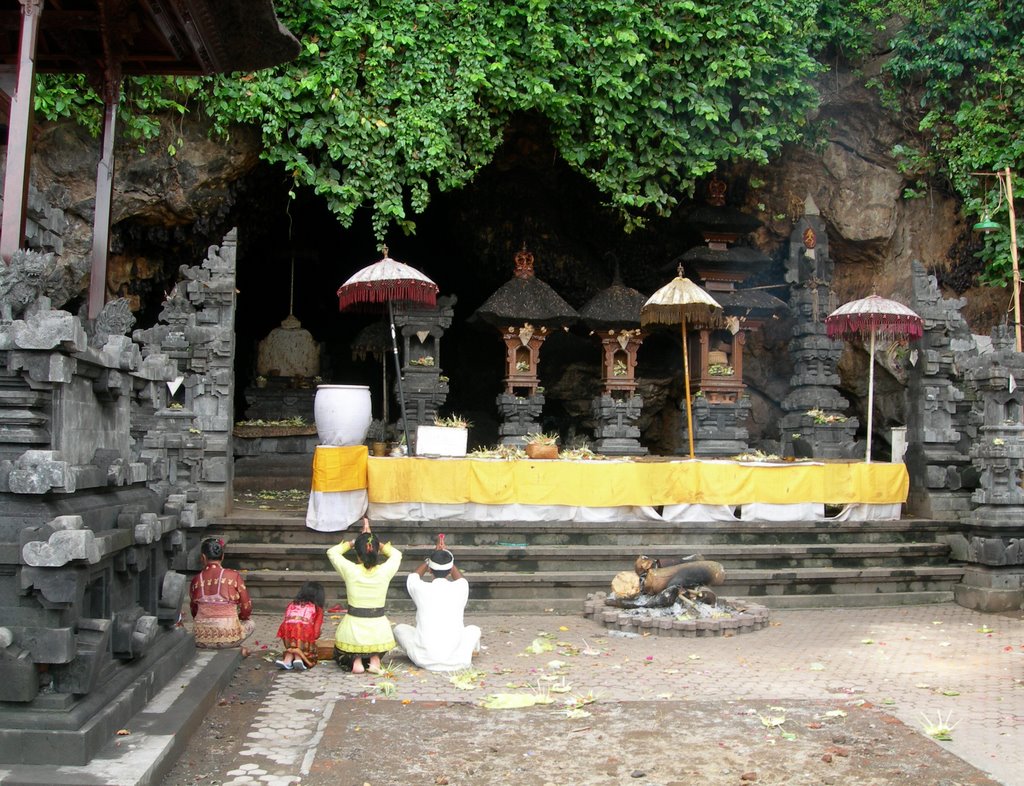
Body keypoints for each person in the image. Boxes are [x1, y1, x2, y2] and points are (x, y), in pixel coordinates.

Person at [393, 533, 481, 672]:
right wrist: (445, 556)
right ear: (451, 569)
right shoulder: (460, 587)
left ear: (430, 570)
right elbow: (460, 578)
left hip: (424, 659)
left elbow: (413, 577)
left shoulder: (420, 587)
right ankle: (469, 651)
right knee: (474, 629)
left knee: (399, 629)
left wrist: (432, 558)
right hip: (458, 660)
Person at [326, 517, 402, 674]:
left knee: (347, 648)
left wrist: (357, 541)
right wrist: (374, 542)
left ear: (358, 554)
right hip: (379, 631)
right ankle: (375, 661)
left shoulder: (351, 570)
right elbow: (397, 555)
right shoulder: (384, 572)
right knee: (374, 644)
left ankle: (357, 661)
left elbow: (332, 552)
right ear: (376, 552)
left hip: (353, 629)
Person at [189, 537, 255, 655]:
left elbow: (194, 611)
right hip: (229, 638)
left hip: (200, 639)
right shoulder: (233, 575)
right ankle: (235, 648)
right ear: (222, 556)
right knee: (251, 624)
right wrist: (240, 618)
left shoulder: (196, 579)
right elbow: (247, 608)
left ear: (203, 558)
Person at [275, 581, 326, 670]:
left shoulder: (292, 604)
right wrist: (316, 636)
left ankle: (288, 660)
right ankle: (299, 658)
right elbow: (316, 631)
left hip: (287, 636)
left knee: (294, 641)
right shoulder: (317, 608)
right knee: (305, 640)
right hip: (304, 636)